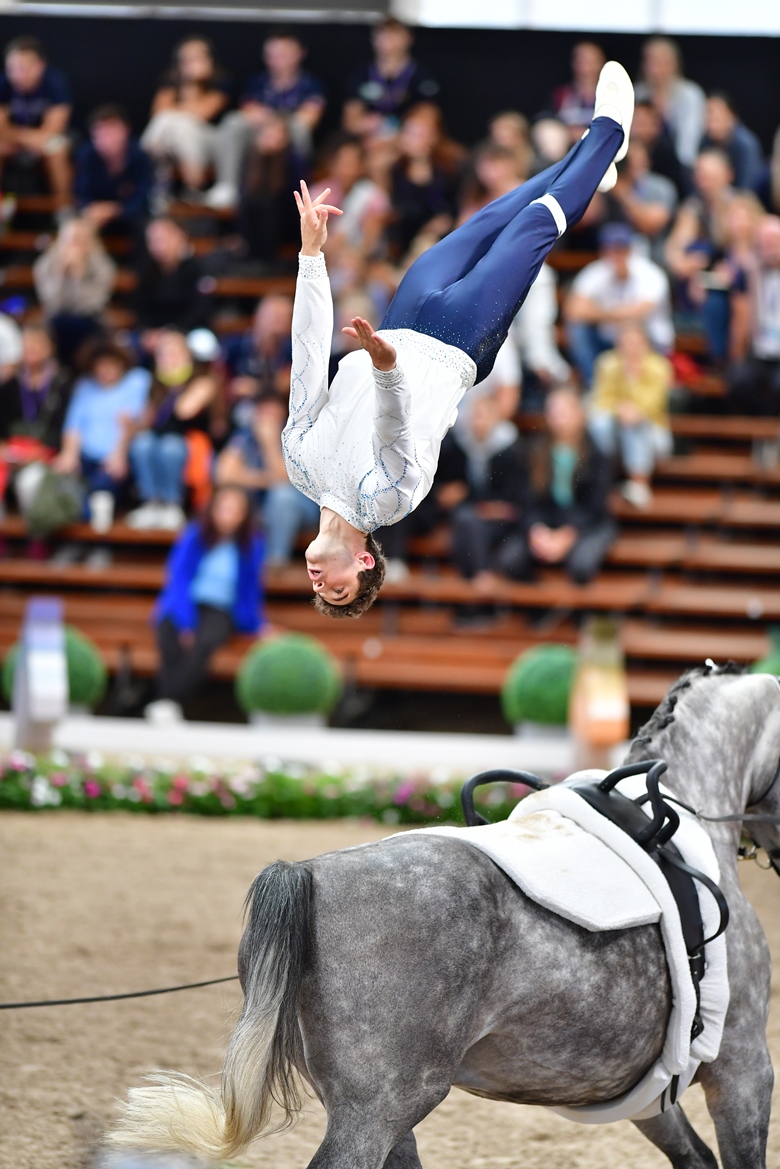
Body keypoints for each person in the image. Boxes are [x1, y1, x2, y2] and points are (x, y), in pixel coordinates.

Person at [284, 61, 634, 617]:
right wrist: (384, 367)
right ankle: (610, 132)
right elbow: (391, 422)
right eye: (339, 590)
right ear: (365, 563)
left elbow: (305, 359)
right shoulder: (387, 502)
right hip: (458, 346)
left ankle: (590, 171)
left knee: (491, 217)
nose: (320, 584)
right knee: (530, 229)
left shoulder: (299, 466)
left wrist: (310, 257)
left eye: (317, 592)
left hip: (405, 314)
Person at [147, 484, 265, 724]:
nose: (228, 515)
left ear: (244, 515)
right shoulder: (195, 535)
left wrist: (256, 624)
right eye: (224, 509)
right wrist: (185, 622)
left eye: (235, 510)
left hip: (220, 609)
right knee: (168, 637)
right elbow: (178, 579)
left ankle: (167, 701)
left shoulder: (251, 544)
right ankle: (169, 704)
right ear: (213, 510)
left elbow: (250, 588)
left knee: (206, 643)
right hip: (184, 603)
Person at [205, 28, 325, 210]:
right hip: (259, 136)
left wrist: (275, 122)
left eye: (284, 54)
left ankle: (300, 191)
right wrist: (269, 124)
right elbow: (248, 110)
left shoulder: (310, 84)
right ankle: (227, 186)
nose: (278, 60)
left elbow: (310, 118)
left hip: (289, 137)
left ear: (299, 54)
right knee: (233, 122)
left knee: (300, 129)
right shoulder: (257, 83)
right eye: (273, 55)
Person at [508, 386, 615, 585]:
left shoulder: (597, 455)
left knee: (581, 565)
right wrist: (536, 530)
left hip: (587, 524)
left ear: (580, 414)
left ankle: (578, 614)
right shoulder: (535, 452)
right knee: (511, 560)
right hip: (547, 521)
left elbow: (595, 507)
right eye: (554, 412)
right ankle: (537, 609)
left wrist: (567, 535)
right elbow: (526, 500)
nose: (558, 418)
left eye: (564, 412)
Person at [128, 329, 219, 531]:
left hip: (190, 441)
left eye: (174, 353)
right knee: (142, 443)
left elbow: (183, 412)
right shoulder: (155, 385)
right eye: (163, 354)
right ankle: (151, 502)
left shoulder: (202, 380)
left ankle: (173, 504)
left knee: (170, 447)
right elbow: (147, 422)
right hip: (159, 439)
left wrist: (175, 384)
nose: (168, 359)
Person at [565, 221, 673, 387]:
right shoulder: (598, 271)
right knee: (578, 330)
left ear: (631, 249)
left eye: (621, 248)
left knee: (632, 334)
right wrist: (618, 314)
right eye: (611, 248)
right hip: (611, 341)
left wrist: (599, 312)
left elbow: (640, 312)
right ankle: (594, 387)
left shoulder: (650, 273)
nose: (616, 254)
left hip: (650, 342)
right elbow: (573, 310)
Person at [216, 393, 319, 566]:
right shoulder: (246, 436)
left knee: (282, 496)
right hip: (261, 506)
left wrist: (270, 443)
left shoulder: (299, 436)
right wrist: (264, 479)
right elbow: (223, 475)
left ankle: (275, 561)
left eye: (272, 411)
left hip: (303, 508)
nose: (266, 417)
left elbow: (286, 481)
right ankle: (226, 563)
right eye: (262, 410)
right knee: (230, 498)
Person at [53, 337, 151, 504]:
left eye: (111, 364)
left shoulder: (137, 381)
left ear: (122, 363)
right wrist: (69, 454)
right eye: (100, 364)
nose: (105, 370)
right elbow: (74, 425)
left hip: (118, 460)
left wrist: (119, 455)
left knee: (99, 498)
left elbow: (131, 423)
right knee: (60, 489)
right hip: (86, 459)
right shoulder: (85, 386)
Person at [588, 322, 673, 509]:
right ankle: (605, 475)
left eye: (636, 342)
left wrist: (635, 410)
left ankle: (639, 483)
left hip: (653, 432)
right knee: (599, 423)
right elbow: (601, 399)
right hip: (616, 429)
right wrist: (621, 409)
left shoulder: (659, 367)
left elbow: (656, 403)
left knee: (634, 423)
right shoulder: (607, 363)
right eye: (626, 342)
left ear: (646, 344)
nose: (630, 347)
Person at [450, 392, 527, 588]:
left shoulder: (512, 450)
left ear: (495, 418)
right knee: (465, 519)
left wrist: (497, 507)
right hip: (478, 512)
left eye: (481, 415)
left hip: (506, 518)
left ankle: (481, 576)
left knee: (468, 521)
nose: (476, 421)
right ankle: (477, 578)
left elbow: (519, 494)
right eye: (474, 415)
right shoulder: (465, 447)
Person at [0, 324, 71, 526]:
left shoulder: (62, 382)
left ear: (51, 347)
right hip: (12, 450)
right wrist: (5, 448)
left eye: (39, 344)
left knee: (31, 481)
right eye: (28, 344)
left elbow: (67, 427)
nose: (32, 349)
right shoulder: (10, 384)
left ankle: (38, 536)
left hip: (47, 452)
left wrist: (42, 453)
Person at [141, 36, 228, 195]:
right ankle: (184, 183)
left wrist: (193, 86)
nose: (191, 63)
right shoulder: (169, 83)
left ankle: (193, 183)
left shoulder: (221, 82)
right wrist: (186, 85)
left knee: (182, 124)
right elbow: (158, 115)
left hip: (212, 145)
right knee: (168, 122)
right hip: (172, 146)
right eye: (186, 59)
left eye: (197, 57)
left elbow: (202, 114)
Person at [0, 36, 72, 209]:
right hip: (19, 142)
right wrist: (24, 139)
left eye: (23, 68)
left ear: (40, 66)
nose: (17, 74)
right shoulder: (3, 84)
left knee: (57, 150)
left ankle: (63, 210)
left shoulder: (56, 83)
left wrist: (16, 135)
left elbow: (53, 131)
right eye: (12, 69)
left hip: (48, 141)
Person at [33, 216, 116, 362]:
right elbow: (53, 304)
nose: (74, 246)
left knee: (89, 329)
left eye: (80, 240)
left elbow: (93, 305)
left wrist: (78, 277)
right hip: (56, 321)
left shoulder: (103, 266)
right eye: (70, 240)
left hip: (91, 322)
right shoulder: (45, 265)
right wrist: (60, 275)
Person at [343, 18, 440, 141]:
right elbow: (350, 121)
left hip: (406, 139)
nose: (387, 41)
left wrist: (400, 134)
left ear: (408, 39)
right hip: (368, 139)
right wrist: (369, 124)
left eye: (393, 35)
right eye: (381, 36)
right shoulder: (361, 74)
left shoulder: (421, 75)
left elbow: (428, 116)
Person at [388, 105, 462, 258]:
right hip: (401, 236)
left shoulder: (448, 168)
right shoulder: (394, 168)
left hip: (435, 239)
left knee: (425, 244)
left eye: (420, 134)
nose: (413, 140)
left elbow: (449, 209)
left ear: (434, 136)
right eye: (410, 133)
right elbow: (389, 206)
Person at [133, 217, 214, 352]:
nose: (158, 246)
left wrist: (172, 331)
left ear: (180, 236)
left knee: (203, 344)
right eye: (152, 241)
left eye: (162, 239)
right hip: (154, 334)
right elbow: (140, 307)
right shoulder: (147, 272)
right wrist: (148, 331)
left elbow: (200, 310)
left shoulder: (197, 269)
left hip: (188, 331)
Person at [727, 216, 780, 415]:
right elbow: (739, 314)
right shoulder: (749, 272)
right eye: (765, 242)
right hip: (759, 347)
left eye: (774, 241)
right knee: (739, 381)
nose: (770, 247)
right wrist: (737, 352)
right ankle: (764, 427)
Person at [74, 105, 153, 234]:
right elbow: (81, 194)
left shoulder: (140, 156)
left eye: (112, 131)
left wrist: (115, 210)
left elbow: (143, 199)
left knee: (144, 227)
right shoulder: (86, 156)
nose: (107, 139)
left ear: (126, 130)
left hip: (131, 219)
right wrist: (93, 210)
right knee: (77, 227)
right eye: (101, 133)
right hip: (96, 216)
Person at [636, 36, 706, 169]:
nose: (655, 70)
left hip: (678, 165)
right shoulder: (637, 93)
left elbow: (688, 145)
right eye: (650, 62)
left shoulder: (690, 95)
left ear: (674, 64)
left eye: (660, 63)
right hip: (640, 164)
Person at [607, 141, 677, 263]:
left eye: (638, 159)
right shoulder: (607, 183)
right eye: (628, 160)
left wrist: (624, 195)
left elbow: (650, 226)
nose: (632, 164)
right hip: (609, 254)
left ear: (647, 161)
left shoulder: (660, 187)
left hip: (651, 257)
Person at [224, 295, 293, 418]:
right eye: (275, 316)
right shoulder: (235, 346)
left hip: (280, 409)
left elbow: (287, 384)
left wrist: (256, 388)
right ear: (258, 316)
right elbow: (227, 385)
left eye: (285, 317)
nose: (280, 321)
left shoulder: (293, 350)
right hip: (238, 409)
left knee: (270, 411)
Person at [699, 93, 765, 195]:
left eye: (716, 116)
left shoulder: (745, 145)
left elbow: (748, 188)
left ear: (732, 117)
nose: (711, 120)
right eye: (708, 115)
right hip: (710, 200)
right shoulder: (704, 142)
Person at [551, 40, 606, 141]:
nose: (585, 67)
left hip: (601, 142)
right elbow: (548, 118)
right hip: (567, 142)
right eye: (581, 61)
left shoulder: (611, 95)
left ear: (601, 63)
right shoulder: (562, 93)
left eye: (590, 61)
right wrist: (568, 131)